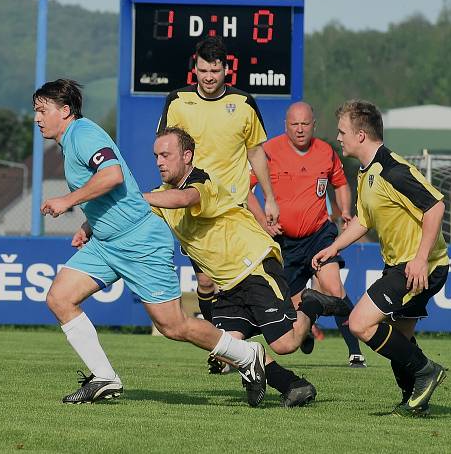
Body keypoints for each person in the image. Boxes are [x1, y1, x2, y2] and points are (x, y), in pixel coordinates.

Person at [35, 78, 267, 406]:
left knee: (173, 326)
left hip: (138, 241)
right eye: (36, 111)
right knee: (60, 298)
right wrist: (89, 224)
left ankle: (246, 354)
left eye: (43, 110)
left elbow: (112, 175)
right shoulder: (71, 139)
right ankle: (104, 377)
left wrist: (67, 200)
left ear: (66, 110)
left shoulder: (83, 133)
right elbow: (118, 190)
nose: (37, 118)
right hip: (106, 242)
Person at [145, 126, 352, 406]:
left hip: (254, 266)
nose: (159, 161)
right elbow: (132, 212)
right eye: (156, 155)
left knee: (285, 344)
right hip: (229, 284)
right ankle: (294, 386)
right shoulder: (162, 195)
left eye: (166, 155)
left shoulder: (200, 182)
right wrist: (90, 226)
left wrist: (139, 198)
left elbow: (184, 199)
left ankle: (311, 303)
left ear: (187, 156)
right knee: (225, 349)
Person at [312, 99, 449, 417]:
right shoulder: (367, 172)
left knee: (360, 323)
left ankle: (426, 371)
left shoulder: (392, 170)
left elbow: (435, 206)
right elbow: (363, 220)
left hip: (420, 266)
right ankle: (415, 397)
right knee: (399, 337)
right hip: (403, 264)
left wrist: (419, 258)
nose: (339, 137)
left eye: (342, 131)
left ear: (361, 135)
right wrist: (334, 248)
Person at [157, 36, 280, 329]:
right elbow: (166, 147)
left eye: (215, 71)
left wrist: (270, 197)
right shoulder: (178, 101)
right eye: (203, 71)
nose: (209, 77)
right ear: (194, 70)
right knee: (205, 281)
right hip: (195, 205)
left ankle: (226, 347)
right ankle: (220, 342)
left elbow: (255, 152)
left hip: (233, 208)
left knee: (233, 278)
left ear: (226, 70)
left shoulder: (243, 103)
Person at [254, 102, 366, 367]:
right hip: (285, 242)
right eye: (295, 124)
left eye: (305, 124)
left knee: (334, 287)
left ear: (314, 125)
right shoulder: (269, 151)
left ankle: (355, 350)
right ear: (285, 126)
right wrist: (263, 222)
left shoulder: (325, 151)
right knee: (291, 305)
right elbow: (245, 191)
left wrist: (346, 211)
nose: (300, 129)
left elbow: (340, 184)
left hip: (319, 235)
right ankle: (305, 327)